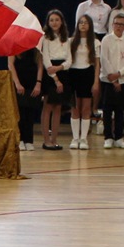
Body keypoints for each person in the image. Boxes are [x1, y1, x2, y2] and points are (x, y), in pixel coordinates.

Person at [99, 14, 124, 149]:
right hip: (108, 80)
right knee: (107, 109)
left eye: (121, 24)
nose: (118, 26)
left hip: (123, 80)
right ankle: (108, 137)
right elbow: (104, 60)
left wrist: (119, 74)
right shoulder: (106, 40)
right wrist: (113, 79)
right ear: (112, 25)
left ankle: (119, 137)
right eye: (116, 23)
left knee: (120, 109)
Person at [66, 14, 101, 150]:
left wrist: (96, 82)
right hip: (73, 74)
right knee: (75, 108)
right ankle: (75, 138)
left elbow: (97, 64)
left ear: (90, 25)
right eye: (81, 22)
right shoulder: (71, 41)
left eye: (86, 22)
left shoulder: (95, 43)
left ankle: (84, 139)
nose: (83, 24)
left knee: (86, 108)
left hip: (88, 74)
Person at [38, 9, 71, 150]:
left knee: (58, 108)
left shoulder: (66, 38)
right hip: (51, 74)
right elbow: (46, 60)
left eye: (57, 20)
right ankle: (46, 140)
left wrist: (60, 68)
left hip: (62, 71)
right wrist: (56, 79)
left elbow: (69, 60)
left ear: (61, 22)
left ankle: (54, 140)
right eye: (51, 20)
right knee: (48, 107)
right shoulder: (45, 38)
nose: (54, 23)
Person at [7, 49, 41, 152]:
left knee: (30, 113)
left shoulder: (36, 49)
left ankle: (29, 140)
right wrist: (17, 83)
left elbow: (40, 66)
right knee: (20, 113)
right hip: (19, 84)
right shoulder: (15, 47)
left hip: (32, 83)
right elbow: (10, 65)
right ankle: (20, 139)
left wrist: (38, 83)